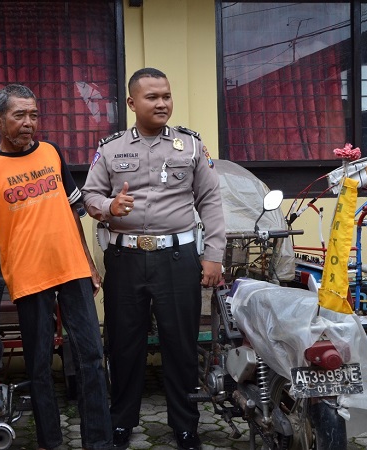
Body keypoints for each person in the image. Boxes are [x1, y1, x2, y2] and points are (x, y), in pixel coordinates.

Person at [0, 84, 113, 450]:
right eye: (19, 116)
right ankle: (51, 442)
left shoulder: (51, 153)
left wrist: (88, 263)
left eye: (33, 115)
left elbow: (73, 210)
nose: (29, 123)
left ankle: (99, 442)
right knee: (38, 367)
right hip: (29, 278)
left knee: (92, 357)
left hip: (72, 269)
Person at [81, 67, 226, 450]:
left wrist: (213, 255)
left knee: (180, 344)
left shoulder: (191, 146)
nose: (162, 103)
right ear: (132, 103)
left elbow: (210, 201)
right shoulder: (111, 149)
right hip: (125, 260)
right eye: (152, 97)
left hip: (177, 259)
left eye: (166, 95)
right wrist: (110, 206)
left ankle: (185, 427)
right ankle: (121, 423)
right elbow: (88, 196)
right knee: (125, 345)